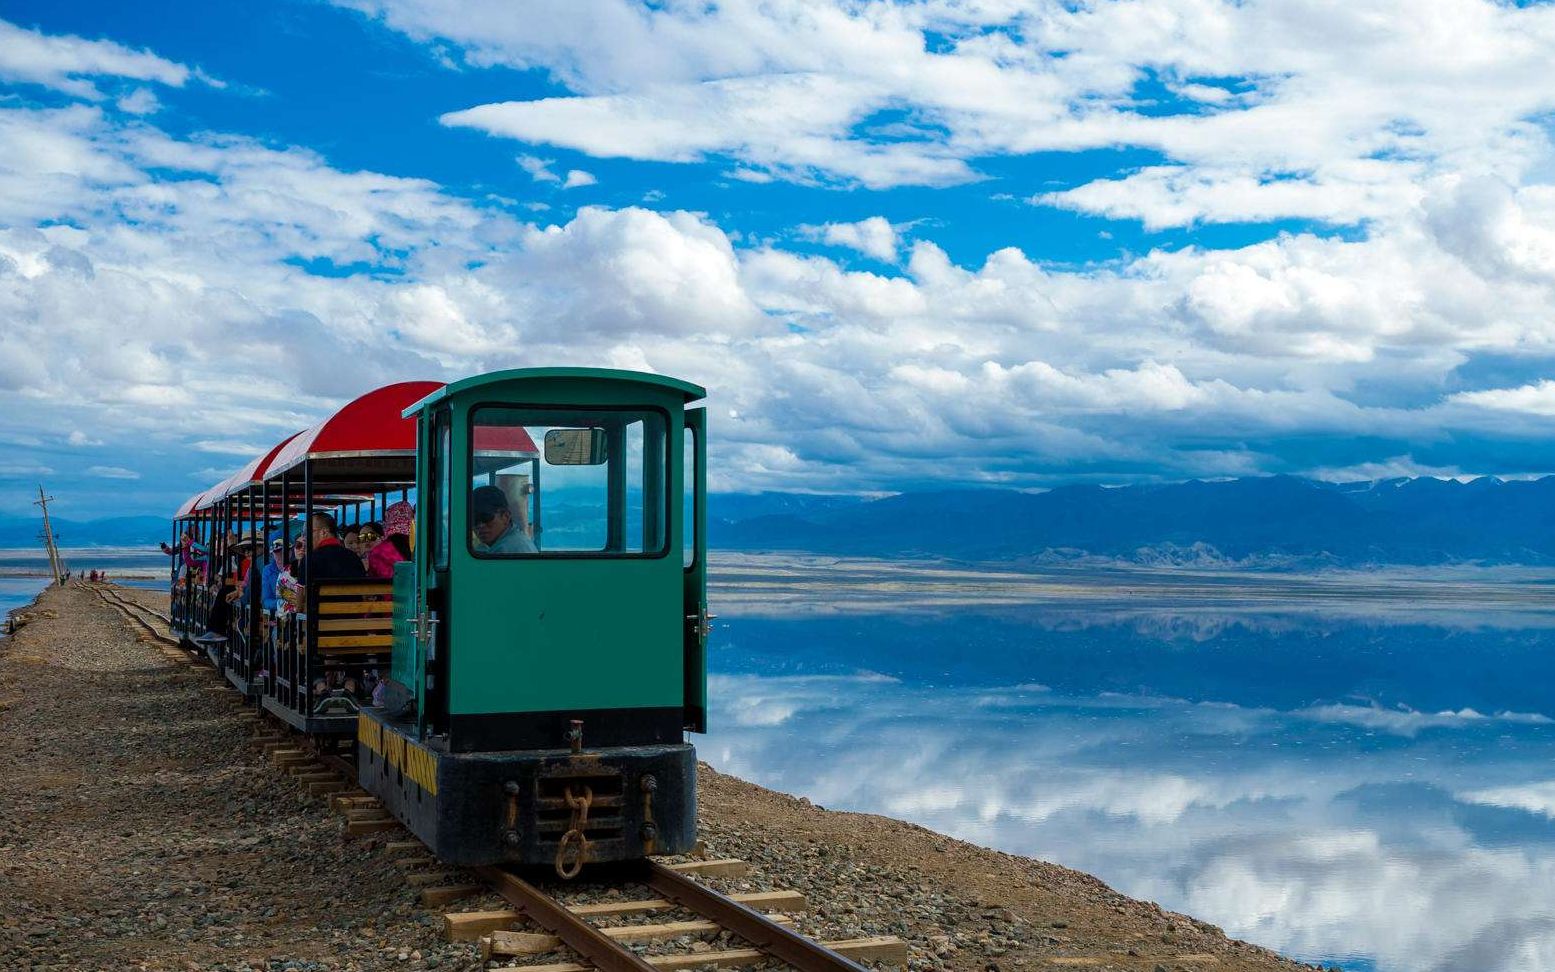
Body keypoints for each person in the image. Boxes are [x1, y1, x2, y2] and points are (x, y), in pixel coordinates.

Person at [294, 512, 366, 586]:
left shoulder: (309, 560)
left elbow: (302, 595)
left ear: (324, 532)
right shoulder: (354, 557)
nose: (304, 537)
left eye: (307, 532)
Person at [472, 485, 537, 554]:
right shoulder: (517, 541)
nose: (480, 525)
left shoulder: (505, 550)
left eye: (486, 517)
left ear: (506, 516)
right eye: (474, 520)